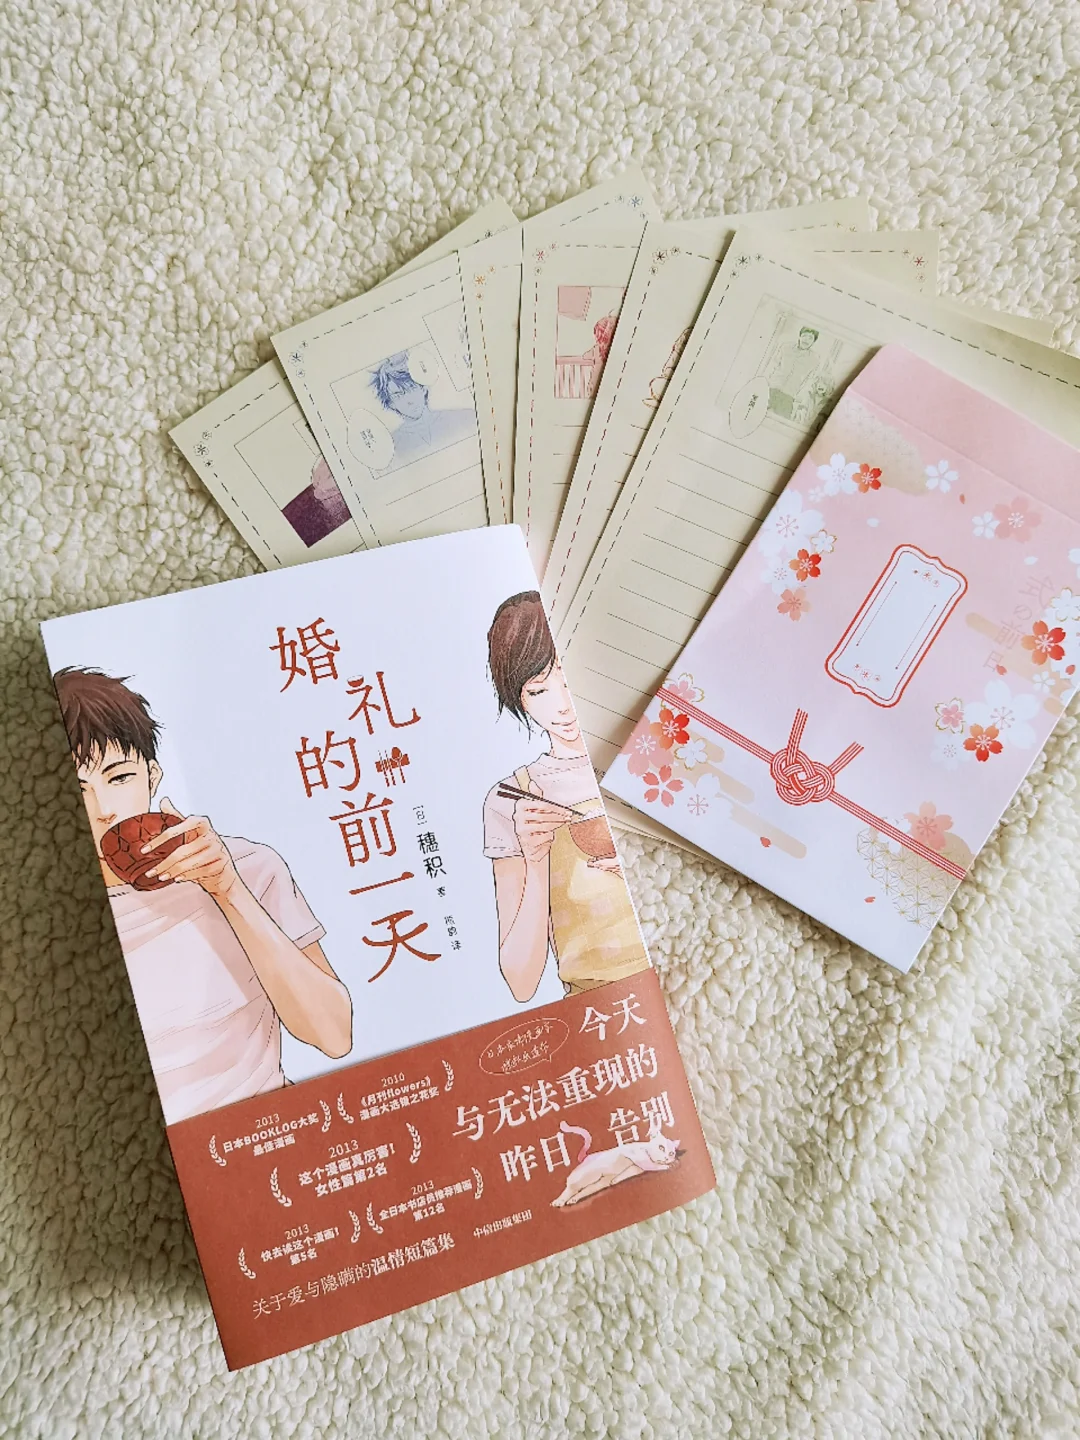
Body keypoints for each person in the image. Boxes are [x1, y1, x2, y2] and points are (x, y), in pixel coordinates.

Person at [53, 667, 353, 1125]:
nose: (103, 809)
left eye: (119, 777)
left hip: (273, 1130)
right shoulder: (51, 926)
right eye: (78, 790)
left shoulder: (248, 867)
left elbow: (334, 1036)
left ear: (152, 777)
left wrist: (228, 890)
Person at [482, 593, 651, 1003]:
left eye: (566, 675)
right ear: (519, 699)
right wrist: (535, 859)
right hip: (603, 1004)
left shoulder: (641, 752)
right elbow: (520, 982)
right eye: (538, 691)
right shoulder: (513, 799)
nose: (561, 705)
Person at [369, 352, 475, 468]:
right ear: (391, 404)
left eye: (411, 388)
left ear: (423, 387)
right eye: (398, 395)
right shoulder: (393, 448)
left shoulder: (464, 418)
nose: (409, 401)